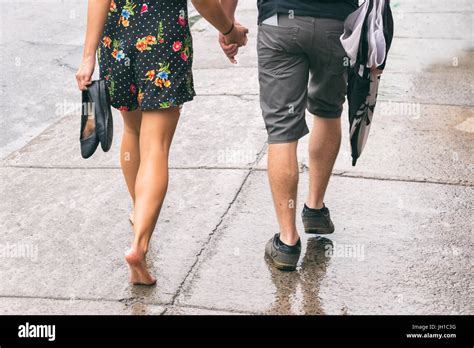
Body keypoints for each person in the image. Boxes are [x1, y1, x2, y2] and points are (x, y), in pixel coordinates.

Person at [76, 0, 248, 285]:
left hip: (117, 39)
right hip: (163, 38)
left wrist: (87, 56)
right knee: (156, 146)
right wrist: (228, 29)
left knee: (132, 132)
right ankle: (138, 247)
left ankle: (139, 210)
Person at [219, 0, 359, 271]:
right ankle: (315, 208)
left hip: (279, 21)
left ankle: (287, 241)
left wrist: (227, 24)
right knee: (329, 111)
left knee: (282, 129)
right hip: (337, 22)